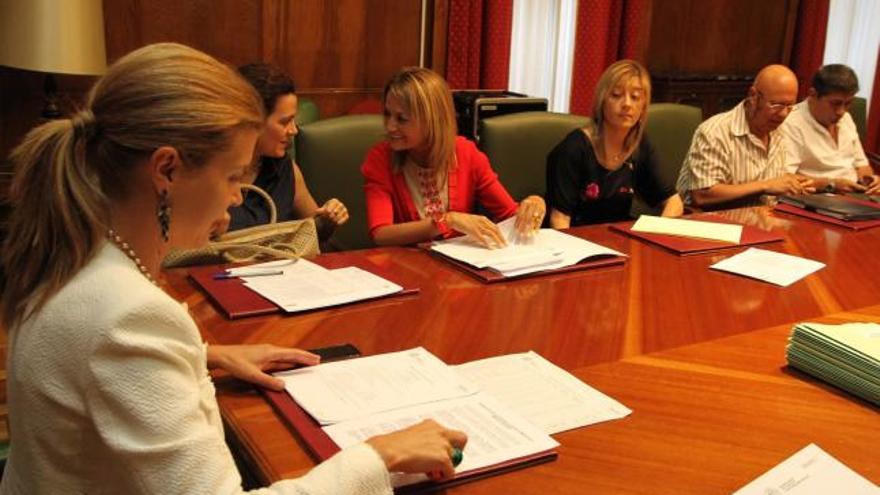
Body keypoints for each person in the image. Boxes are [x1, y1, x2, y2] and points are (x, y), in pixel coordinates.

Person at [0, 43, 465, 495]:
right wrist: (379, 458)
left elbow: (95, 362)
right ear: (166, 170)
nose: (238, 196)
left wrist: (206, 356)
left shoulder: (70, 250)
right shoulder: (129, 318)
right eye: (230, 176)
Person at [362, 67, 545, 247]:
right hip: (405, 267)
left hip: (459, 265)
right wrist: (446, 221)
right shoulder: (381, 157)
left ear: (432, 119)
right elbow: (381, 234)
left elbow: (509, 214)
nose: (390, 126)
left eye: (402, 119)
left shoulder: (466, 153)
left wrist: (534, 205)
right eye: (387, 114)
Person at [545, 60, 683, 227]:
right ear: (602, 101)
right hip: (575, 241)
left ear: (643, 107)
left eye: (635, 97)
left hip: (617, 240)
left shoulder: (640, 144)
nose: (627, 104)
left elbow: (674, 203)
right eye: (616, 95)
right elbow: (559, 219)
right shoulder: (574, 148)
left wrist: (655, 234)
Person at [223, 63, 349, 241]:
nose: (294, 130)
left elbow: (314, 233)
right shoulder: (210, 171)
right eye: (284, 122)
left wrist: (329, 217)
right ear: (252, 121)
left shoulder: (285, 168)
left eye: (293, 120)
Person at [676, 64, 815, 210]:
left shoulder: (779, 131)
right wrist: (766, 185)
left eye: (789, 106)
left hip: (762, 219)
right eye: (776, 105)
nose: (783, 114)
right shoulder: (716, 131)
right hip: (714, 222)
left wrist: (790, 184)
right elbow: (702, 194)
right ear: (753, 96)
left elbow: (773, 187)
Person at [781, 64, 879, 194]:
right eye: (836, 103)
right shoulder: (791, 122)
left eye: (848, 103)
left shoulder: (846, 119)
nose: (841, 111)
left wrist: (871, 180)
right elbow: (785, 179)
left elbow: (862, 166)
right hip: (817, 197)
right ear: (813, 95)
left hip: (854, 195)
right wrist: (831, 184)